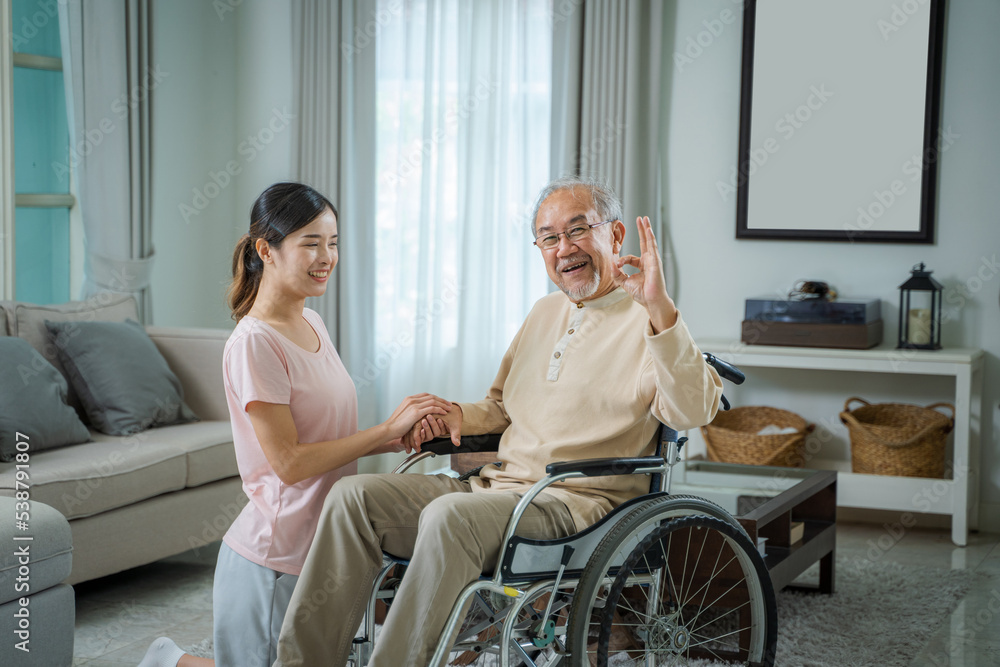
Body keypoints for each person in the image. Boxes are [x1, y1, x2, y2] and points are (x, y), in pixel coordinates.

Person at [272, 176, 724, 667]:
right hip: (494, 493)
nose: (564, 248)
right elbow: (502, 408)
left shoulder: (650, 319)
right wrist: (451, 416)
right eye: (549, 238)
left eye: (578, 230)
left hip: (574, 508)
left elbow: (691, 411)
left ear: (615, 237)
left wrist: (660, 308)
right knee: (353, 497)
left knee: (449, 517)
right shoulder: (544, 312)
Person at [139, 182, 450, 667]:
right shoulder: (254, 344)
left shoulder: (312, 323)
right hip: (272, 559)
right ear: (266, 249)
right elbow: (287, 463)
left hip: (323, 545)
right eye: (311, 243)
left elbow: (324, 441)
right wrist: (384, 429)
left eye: (333, 243)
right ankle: (166, 662)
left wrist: (397, 436)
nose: (327, 256)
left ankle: (166, 660)